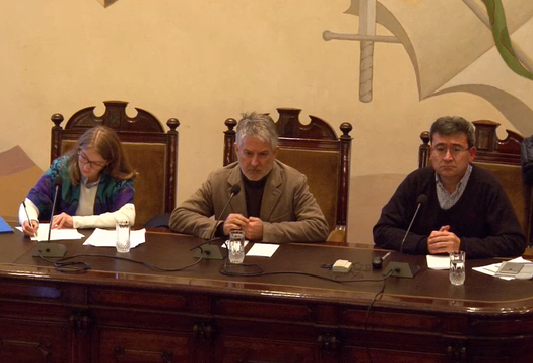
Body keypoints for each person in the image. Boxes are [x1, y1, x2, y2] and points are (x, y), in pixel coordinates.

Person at [373, 116, 526, 258]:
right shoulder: (416, 181)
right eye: (440, 149)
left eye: (456, 149)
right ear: (431, 152)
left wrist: (462, 245)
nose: (447, 157)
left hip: (472, 277)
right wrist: (425, 244)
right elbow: (382, 231)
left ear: (471, 154)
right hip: (418, 272)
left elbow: (515, 241)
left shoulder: (488, 186)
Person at [169, 112, 329, 243]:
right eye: (248, 153)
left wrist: (266, 230)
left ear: (275, 152)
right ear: (236, 150)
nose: (254, 162)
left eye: (263, 154)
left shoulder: (294, 181)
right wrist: (219, 227)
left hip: (277, 266)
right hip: (229, 265)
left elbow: (318, 227)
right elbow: (179, 217)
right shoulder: (218, 179)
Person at [19, 125, 136, 236]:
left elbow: (127, 217)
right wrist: (29, 219)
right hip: (63, 243)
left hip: (103, 247)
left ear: (108, 162)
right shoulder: (61, 168)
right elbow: (30, 202)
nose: (86, 167)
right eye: (84, 157)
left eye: (95, 163)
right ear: (78, 150)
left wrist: (75, 221)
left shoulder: (118, 177)